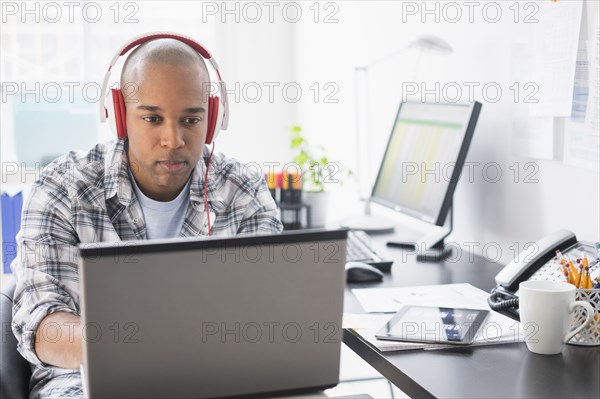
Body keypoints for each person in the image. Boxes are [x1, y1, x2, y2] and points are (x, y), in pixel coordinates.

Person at [11, 33, 283, 398]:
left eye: (191, 120)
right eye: (152, 118)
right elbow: (43, 327)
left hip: (216, 374)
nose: (173, 139)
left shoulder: (241, 190)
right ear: (120, 117)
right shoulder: (64, 188)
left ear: (213, 119)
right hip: (84, 376)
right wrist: (152, 345)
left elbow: (269, 311)